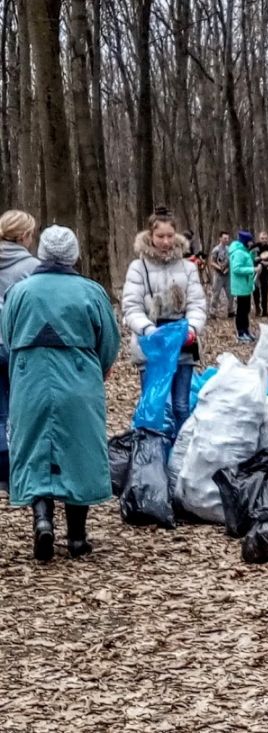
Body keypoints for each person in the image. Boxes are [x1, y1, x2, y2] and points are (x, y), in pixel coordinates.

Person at [2, 225, 119, 560]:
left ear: (41, 253)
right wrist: (98, 365)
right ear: (74, 254)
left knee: (33, 446)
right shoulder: (91, 291)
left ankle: (42, 521)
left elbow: (8, 337)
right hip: (79, 377)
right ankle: (78, 538)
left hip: (29, 380)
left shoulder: (20, 292)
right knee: (79, 449)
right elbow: (109, 341)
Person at [123, 208, 207, 435]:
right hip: (152, 345)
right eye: (160, 236)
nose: (166, 241)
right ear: (151, 236)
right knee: (154, 405)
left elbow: (197, 304)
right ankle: (153, 458)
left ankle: (181, 456)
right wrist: (149, 330)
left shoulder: (188, 267)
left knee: (181, 406)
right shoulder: (138, 268)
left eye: (170, 235)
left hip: (182, 343)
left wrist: (191, 328)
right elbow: (131, 307)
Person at [0, 210, 40, 494]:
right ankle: (20, 470)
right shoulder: (34, 268)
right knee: (21, 409)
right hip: (19, 345)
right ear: (25, 236)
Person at [230, 229, 257, 342]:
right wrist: (252, 269)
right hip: (240, 287)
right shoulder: (238, 252)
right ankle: (240, 333)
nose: (251, 243)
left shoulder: (244, 251)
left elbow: (247, 261)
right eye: (250, 241)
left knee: (246, 310)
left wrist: (252, 253)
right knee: (241, 311)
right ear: (245, 241)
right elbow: (236, 269)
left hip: (246, 286)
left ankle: (246, 330)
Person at [251, 230, 268, 317]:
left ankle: (265, 311)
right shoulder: (255, 246)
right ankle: (257, 310)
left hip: (265, 271)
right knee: (255, 291)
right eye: (262, 238)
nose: (264, 240)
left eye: (265, 238)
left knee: (265, 291)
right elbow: (249, 255)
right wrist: (254, 260)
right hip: (255, 271)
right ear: (259, 238)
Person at [208, 231, 234, 319]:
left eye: (227, 238)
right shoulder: (216, 250)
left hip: (228, 275)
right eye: (224, 238)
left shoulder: (229, 249)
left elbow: (232, 261)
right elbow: (212, 262)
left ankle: (231, 311)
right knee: (216, 294)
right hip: (218, 275)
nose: (226, 240)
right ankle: (212, 312)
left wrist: (228, 268)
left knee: (231, 294)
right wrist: (219, 268)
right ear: (220, 238)